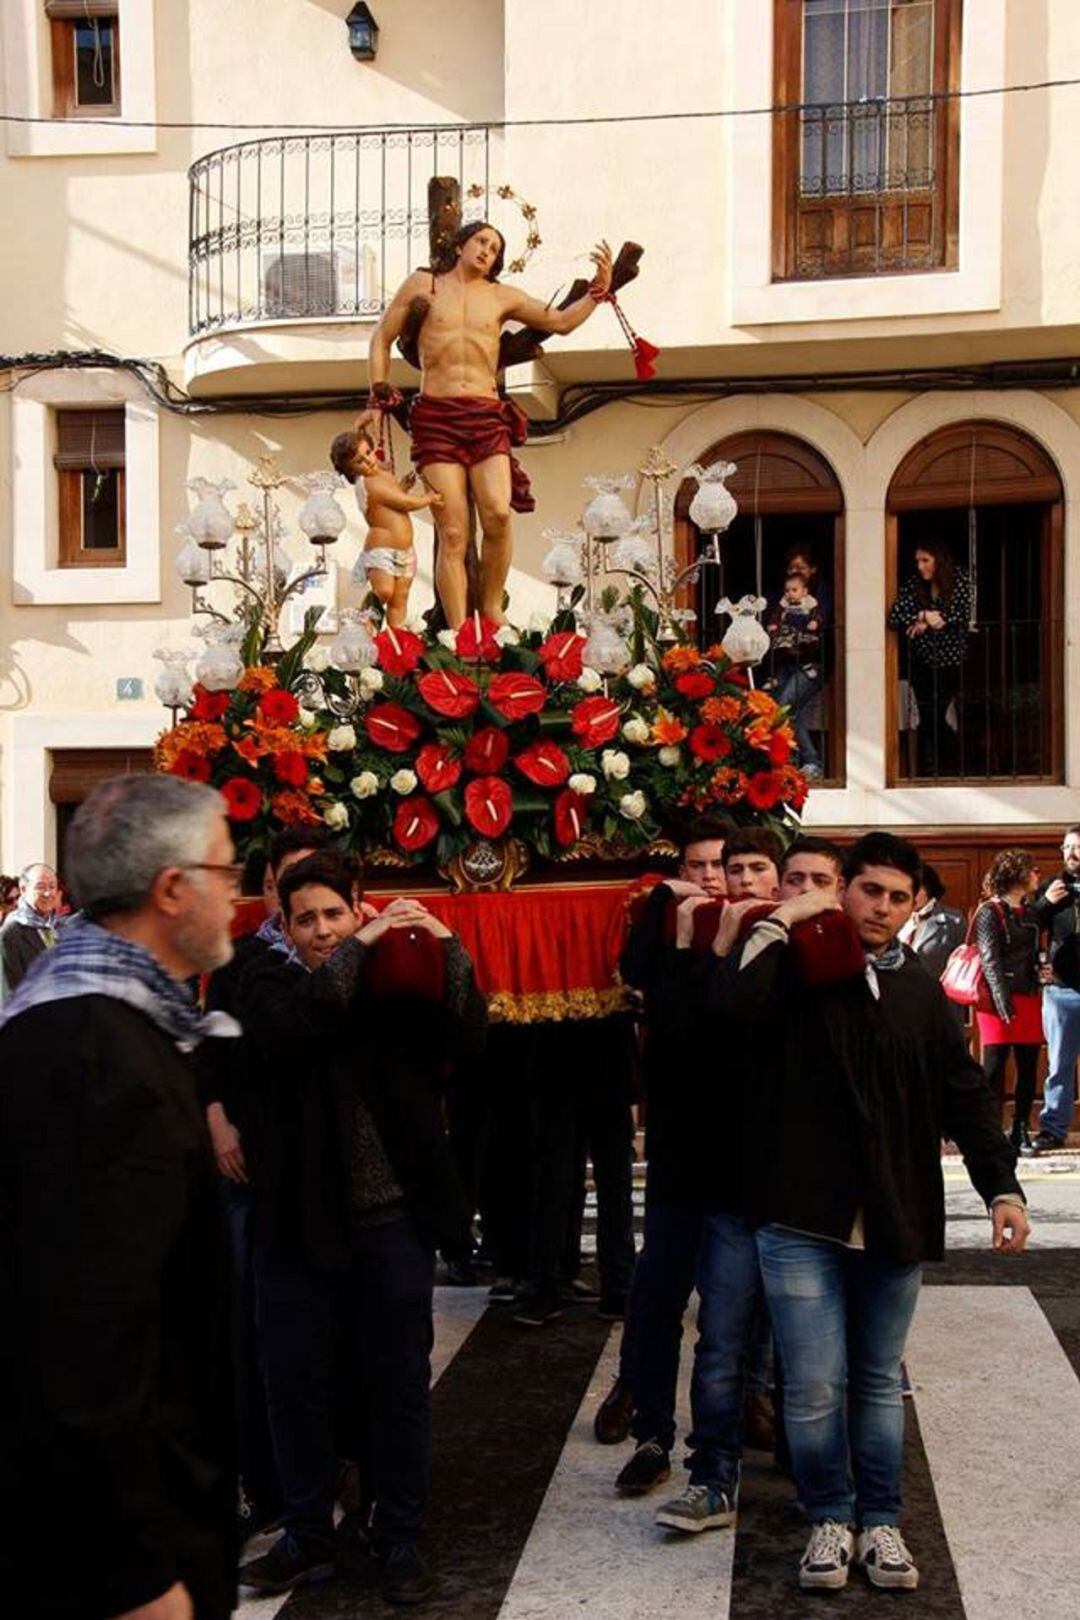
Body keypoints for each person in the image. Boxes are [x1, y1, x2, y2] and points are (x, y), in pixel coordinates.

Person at [736, 831, 1029, 1593]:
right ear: (844, 889)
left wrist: (1001, 1186)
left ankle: (882, 1523)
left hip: (895, 1213)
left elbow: (964, 1096)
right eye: (871, 891)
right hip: (800, 1213)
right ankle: (828, 1518)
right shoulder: (796, 971)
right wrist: (780, 922)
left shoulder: (918, 990)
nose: (885, 909)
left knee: (874, 1379)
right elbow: (730, 1019)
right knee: (810, 1383)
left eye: (900, 898)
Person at [0, 775, 240, 1620]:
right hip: (121, 1551)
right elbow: (80, 1337)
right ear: (174, 890)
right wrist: (133, 1573)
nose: (238, 897)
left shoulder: (115, 1023)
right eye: (227, 873)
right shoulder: (95, 1054)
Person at [236, 854, 486, 1605]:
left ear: (356, 906)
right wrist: (365, 942)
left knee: (398, 1385)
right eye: (305, 919)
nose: (321, 931)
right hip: (295, 1223)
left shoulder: (391, 975)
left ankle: (400, 1533)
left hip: (391, 1224)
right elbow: (306, 1016)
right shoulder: (260, 978)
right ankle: (308, 1530)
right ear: (283, 923)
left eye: (334, 915)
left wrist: (445, 944)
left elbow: (472, 1036)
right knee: (296, 1387)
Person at [364, 220, 613, 625]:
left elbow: (562, 322)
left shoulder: (501, 296)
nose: (486, 251)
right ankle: (460, 632)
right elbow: (381, 336)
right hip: (437, 418)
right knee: (454, 532)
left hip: (484, 414)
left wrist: (599, 292)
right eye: (481, 241)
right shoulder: (423, 285)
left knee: (498, 513)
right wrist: (377, 394)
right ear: (461, 243)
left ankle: (493, 610)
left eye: (495, 248)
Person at [644, 827, 785, 1531]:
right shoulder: (707, 949)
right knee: (721, 1337)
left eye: (761, 868)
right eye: (737, 869)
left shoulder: (807, 949)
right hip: (726, 1181)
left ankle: (827, 1488)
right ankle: (712, 1477)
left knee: (811, 1350)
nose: (746, 879)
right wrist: (715, 949)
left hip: (800, 1184)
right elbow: (679, 1039)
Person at [595, 815, 730, 1470]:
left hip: (747, 1149)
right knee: (659, 1287)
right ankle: (646, 1412)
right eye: (696, 865)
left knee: (738, 1299)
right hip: (679, 1138)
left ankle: (743, 1410)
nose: (708, 877)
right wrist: (680, 923)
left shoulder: (758, 923)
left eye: (719, 865)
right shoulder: (661, 912)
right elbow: (637, 979)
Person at [329, 427, 444, 628]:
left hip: (405, 551)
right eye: (359, 462)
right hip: (382, 550)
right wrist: (429, 498)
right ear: (351, 471)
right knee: (384, 591)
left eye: (368, 453)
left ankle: (394, 640)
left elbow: (390, 502)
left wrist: (402, 487)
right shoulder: (368, 484)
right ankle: (362, 621)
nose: (369, 461)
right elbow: (404, 504)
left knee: (399, 600)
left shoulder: (382, 476)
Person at [972, 849, 1043, 1151]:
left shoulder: (1030, 913)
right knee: (994, 1067)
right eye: (1032, 869)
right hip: (995, 999)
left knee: (1028, 1067)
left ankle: (1020, 1127)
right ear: (1017, 875)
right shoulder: (990, 911)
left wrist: (1043, 970)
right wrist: (1003, 1004)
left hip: (1028, 996)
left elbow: (1033, 953)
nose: (1037, 874)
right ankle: (989, 1128)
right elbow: (990, 960)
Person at [888, 542, 972, 777]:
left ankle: (954, 762)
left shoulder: (959, 580)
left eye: (925, 560)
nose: (920, 566)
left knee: (936, 714)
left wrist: (932, 621)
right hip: (922, 661)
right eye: (917, 561)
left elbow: (962, 613)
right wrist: (923, 614)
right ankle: (934, 768)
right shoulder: (915, 585)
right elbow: (895, 614)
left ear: (939, 560)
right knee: (926, 715)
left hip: (951, 660)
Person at [1030, 824, 1080, 1152]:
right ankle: (1052, 1129)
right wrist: (1044, 903)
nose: (1071, 854)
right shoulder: (1052, 888)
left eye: (1077, 847)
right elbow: (1026, 927)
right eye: (1066, 848)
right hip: (1061, 991)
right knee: (1059, 1064)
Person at [765, 570, 824, 778]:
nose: (790, 594)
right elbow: (774, 618)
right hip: (787, 663)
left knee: (784, 709)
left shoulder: (811, 603)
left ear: (805, 590)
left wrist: (812, 624)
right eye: (787, 590)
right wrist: (774, 625)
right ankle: (795, 762)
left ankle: (811, 761)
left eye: (794, 590)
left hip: (808, 663)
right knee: (779, 709)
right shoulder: (783, 604)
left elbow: (818, 618)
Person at [0, 861, 61, 1000]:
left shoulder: (58, 927)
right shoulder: (10, 935)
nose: (48, 893)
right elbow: (9, 998)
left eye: (52, 887)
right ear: (23, 889)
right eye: (40, 887)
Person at [899, 863, 966, 982]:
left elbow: (962, 964)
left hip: (934, 994)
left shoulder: (953, 920)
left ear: (928, 889)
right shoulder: (895, 916)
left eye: (915, 889)